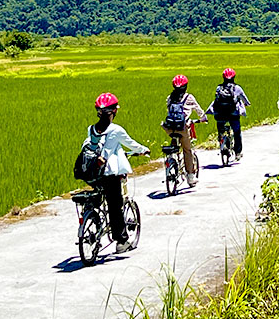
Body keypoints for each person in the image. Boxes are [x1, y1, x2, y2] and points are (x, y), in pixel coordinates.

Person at [85, 92, 150, 252]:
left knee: (100, 200)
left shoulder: (91, 129)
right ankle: (121, 242)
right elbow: (131, 144)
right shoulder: (116, 130)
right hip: (110, 174)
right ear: (114, 111)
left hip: (93, 174)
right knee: (115, 207)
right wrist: (144, 150)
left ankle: (94, 221)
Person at [162, 75, 208, 186]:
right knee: (187, 150)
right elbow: (198, 110)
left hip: (169, 127)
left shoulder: (170, 97)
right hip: (182, 127)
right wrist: (203, 118)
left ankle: (172, 159)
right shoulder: (189, 97)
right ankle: (190, 176)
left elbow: (169, 110)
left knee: (174, 140)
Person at [206, 67, 251, 161]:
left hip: (220, 114)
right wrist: (246, 104)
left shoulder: (219, 88)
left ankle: (222, 141)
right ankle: (238, 152)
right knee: (237, 132)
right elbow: (245, 100)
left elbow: (216, 100)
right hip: (233, 114)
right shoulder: (237, 88)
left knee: (221, 129)